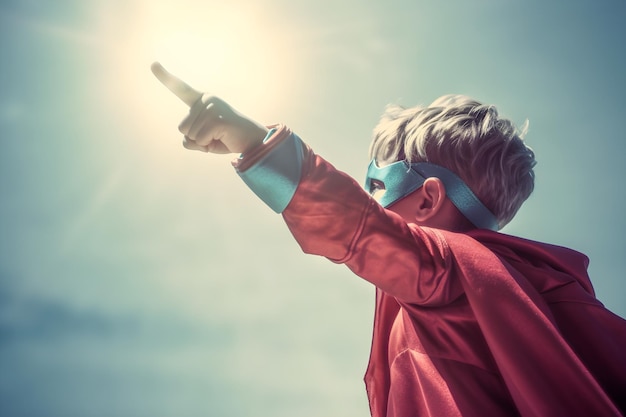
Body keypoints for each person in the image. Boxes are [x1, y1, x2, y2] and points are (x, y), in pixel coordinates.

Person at [151, 62, 626, 417]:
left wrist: (256, 144)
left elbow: (354, 225)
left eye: (377, 186)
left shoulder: (449, 274)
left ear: (426, 200)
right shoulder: (518, 293)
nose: (371, 203)